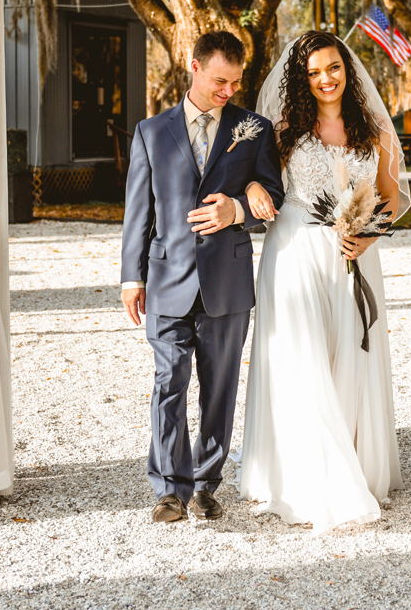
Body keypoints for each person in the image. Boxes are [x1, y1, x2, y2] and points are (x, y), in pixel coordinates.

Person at [237, 30, 409, 533]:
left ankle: (353, 462)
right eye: (313, 72)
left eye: (332, 68)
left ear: (346, 69)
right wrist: (250, 187)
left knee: (347, 358)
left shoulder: (373, 127)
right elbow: (253, 178)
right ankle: (306, 473)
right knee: (303, 357)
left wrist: (367, 238)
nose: (325, 79)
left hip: (351, 253)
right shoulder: (285, 128)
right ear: (301, 79)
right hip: (293, 252)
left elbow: (391, 200)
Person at [120, 30, 284, 523]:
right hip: (168, 278)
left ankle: (207, 484)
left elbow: (273, 198)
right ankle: (170, 489)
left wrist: (238, 209)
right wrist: (132, 277)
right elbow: (137, 211)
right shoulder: (151, 131)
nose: (227, 91)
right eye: (219, 80)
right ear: (193, 66)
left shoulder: (254, 128)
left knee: (220, 387)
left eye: (235, 82)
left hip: (227, 284)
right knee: (168, 381)